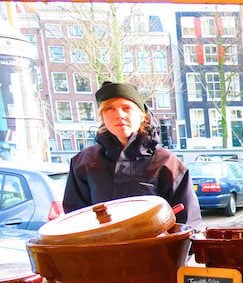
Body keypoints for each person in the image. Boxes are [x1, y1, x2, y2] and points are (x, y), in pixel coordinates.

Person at [63, 81, 201, 226]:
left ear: (142, 115)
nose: (119, 115)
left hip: (155, 248)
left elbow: (187, 222)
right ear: (102, 116)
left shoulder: (167, 163)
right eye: (109, 108)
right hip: (101, 247)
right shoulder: (84, 163)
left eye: (126, 108)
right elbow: (75, 219)